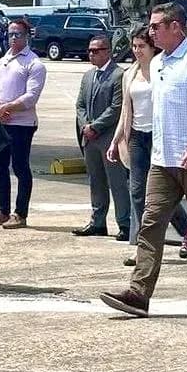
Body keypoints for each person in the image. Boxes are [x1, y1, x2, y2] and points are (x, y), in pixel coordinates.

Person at [101, 2, 187, 318]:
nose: (151, 30)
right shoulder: (157, 63)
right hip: (163, 162)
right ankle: (138, 294)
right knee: (150, 225)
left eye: (157, 25)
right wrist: (122, 139)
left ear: (176, 27)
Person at [107, 25, 187, 266]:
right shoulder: (130, 74)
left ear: (152, 47)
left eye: (141, 46)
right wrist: (116, 140)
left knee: (160, 193)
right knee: (137, 192)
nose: (137, 51)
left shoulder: (162, 69)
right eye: (134, 46)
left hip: (160, 135)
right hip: (136, 136)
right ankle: (143, 248)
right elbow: (126, 109)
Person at [0, 18, 46, 229]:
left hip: (22, 124)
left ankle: (20, 213)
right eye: (10, 34)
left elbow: (31, 97)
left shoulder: (34, 63)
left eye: (17, 34)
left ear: (27, 36)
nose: (13, 38)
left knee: (20, 166)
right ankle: (3, 210)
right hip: (1, 121)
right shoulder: (3, 60)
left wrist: (6, 108)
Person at [73, 35, 130, 239]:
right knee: (96, 181)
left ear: (108, 51)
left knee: (117, 183)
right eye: (90, 50)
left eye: (96, 51)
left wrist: (95, 126)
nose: (91, 54)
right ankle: (98, 222)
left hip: (108, 138)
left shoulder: (118, 75)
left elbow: (116, 107)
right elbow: (80, 104)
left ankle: (125, 223)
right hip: (90, 139)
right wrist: (85, 125)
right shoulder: (88, 76)